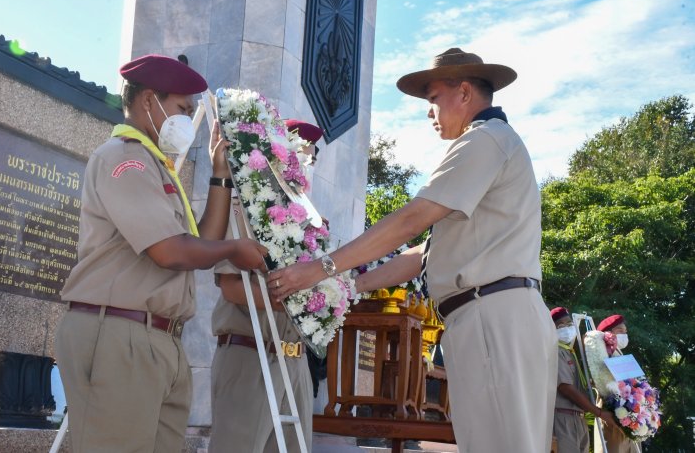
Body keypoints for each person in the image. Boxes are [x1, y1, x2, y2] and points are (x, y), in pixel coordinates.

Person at [269, 48, 558, 452]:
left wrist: (318, 270)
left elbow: (412, 218)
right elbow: (424, 253)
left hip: (494, 317)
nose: (429, 111)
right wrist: (349, 287)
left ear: (463, 93)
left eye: (434, 98)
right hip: (493, 315)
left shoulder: (485, 139)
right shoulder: (489, 145)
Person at [54, 54, 268, 453]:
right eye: (182, 110)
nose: (187, 120)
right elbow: (170, 251)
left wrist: (219, 173)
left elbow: (200, 240)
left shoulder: (157, 166)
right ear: (149, 101)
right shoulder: (124, 158)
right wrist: (235, 249)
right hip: (120, 334)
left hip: (158, 338)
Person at [208, 120, 324, 453]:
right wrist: (294, 302)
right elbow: (231, 287)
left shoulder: (312, 222)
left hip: (296, 361)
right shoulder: (251, 208)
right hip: (251, 354)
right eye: (300, 157)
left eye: (312, 158)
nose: (307, 165)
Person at [551, 307, 616, 453]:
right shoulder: (557, 351)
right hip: (564, 417)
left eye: (569, 324)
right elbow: (566, 388)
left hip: (579, 418)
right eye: (560, 326)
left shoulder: (570, 352)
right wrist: (598, 413)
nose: (567, 329)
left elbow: (577, 385)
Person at [593, 314, 637, 453]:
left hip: (629, 417)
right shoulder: (602, 355)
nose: (624, 335)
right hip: (611, 415)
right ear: (608, 334)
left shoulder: (621, 355)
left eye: (625, 332)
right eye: (620, 331)